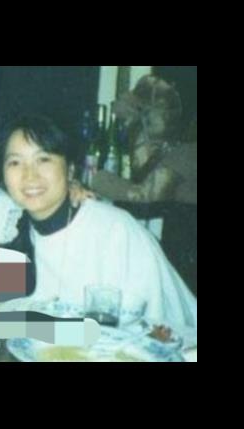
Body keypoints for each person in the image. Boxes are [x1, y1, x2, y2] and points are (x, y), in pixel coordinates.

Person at [0, 114, 197, 328]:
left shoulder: (116, 231)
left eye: (43, 159)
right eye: (15, 162)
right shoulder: (4, 226)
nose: (29, 175)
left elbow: (160, 325)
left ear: (70, 170)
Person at [89, 74, 197, 295]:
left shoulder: (188, 153)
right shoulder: (178, 150)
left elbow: (143, 194)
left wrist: (94, 179)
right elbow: (143, 173)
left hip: (187, 266)